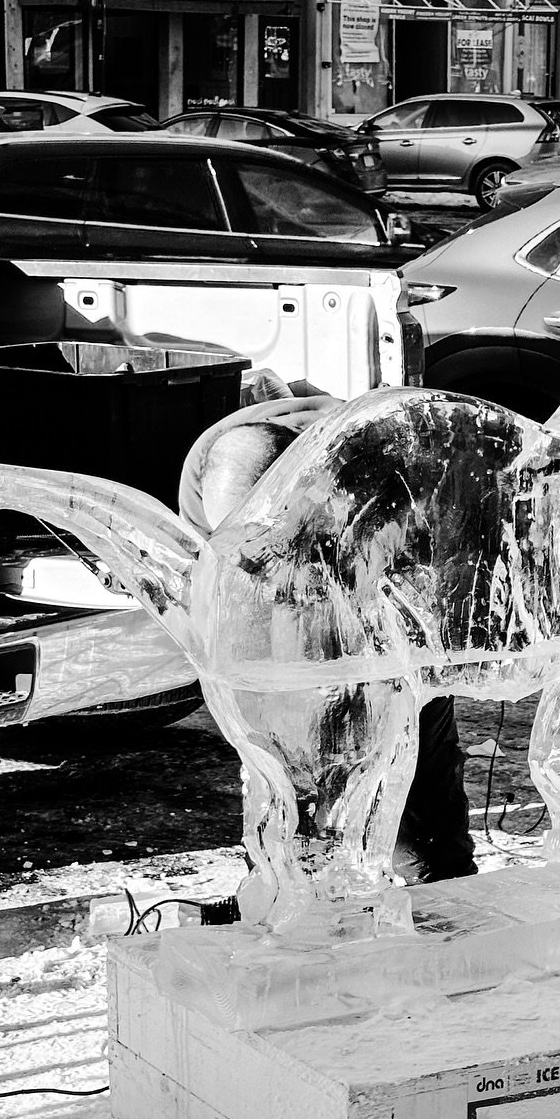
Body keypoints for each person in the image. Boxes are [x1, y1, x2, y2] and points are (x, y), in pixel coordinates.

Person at [179, 377, 479, 883]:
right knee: (278, 762)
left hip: (386, 607)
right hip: (293, 593)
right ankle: (282, 884)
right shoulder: (205, 484)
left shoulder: (380, 476)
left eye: (262, 544)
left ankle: (439, 884)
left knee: (412, 753)